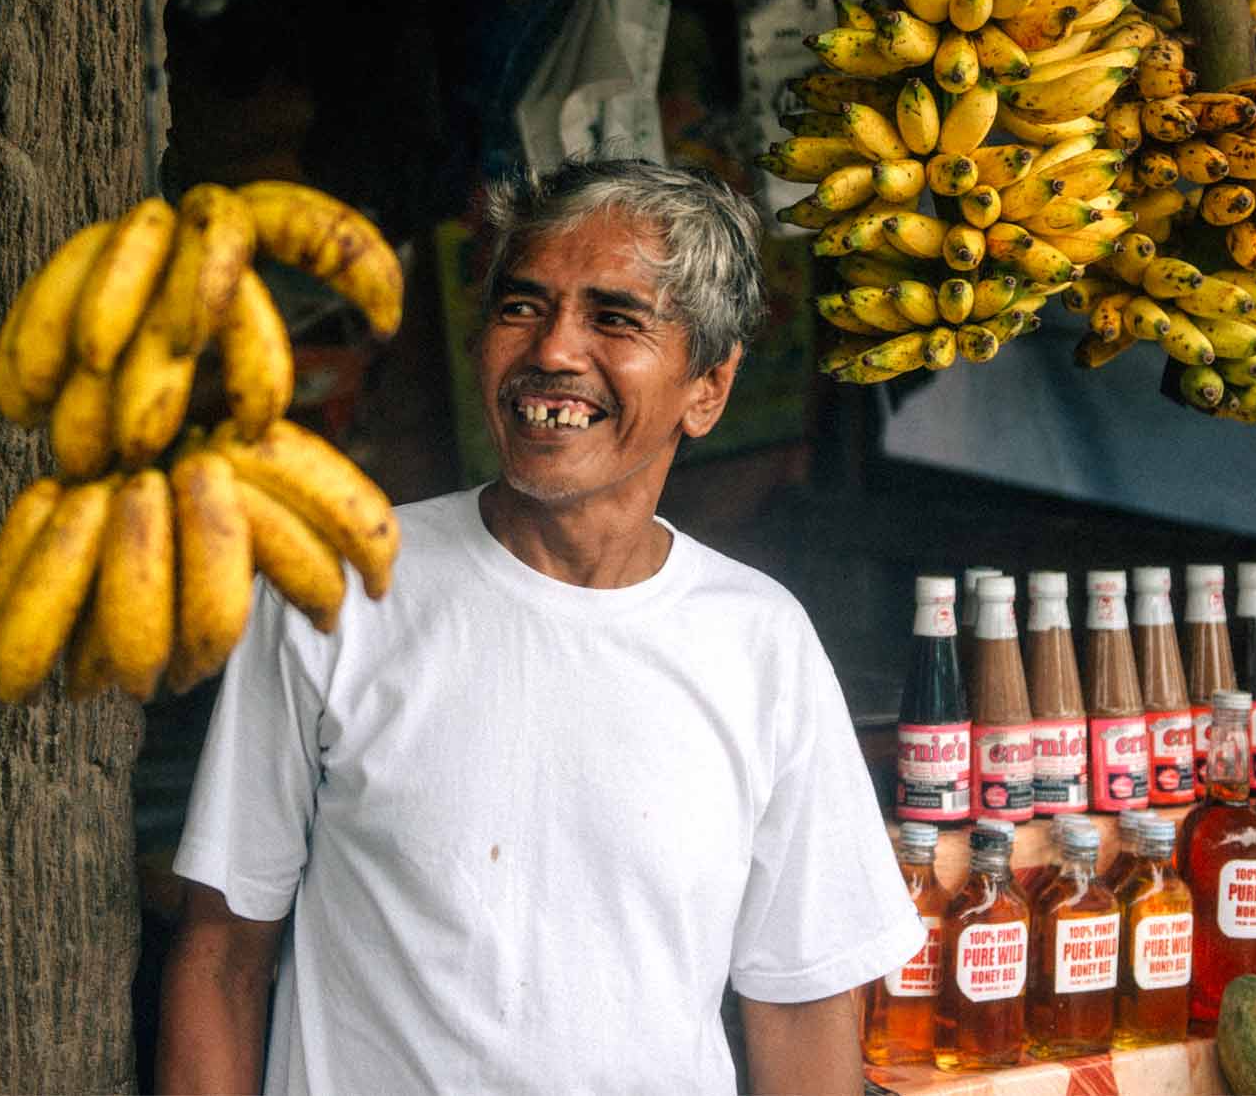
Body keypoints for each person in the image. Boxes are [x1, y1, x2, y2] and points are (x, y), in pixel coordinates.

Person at [156, 157, 923, 1096]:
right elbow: (221, 952)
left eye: (613, 317)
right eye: (522, 307)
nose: (553, 350)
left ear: (708, 387)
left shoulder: (759, 643)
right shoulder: (345, 587)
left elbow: (801, 1002)